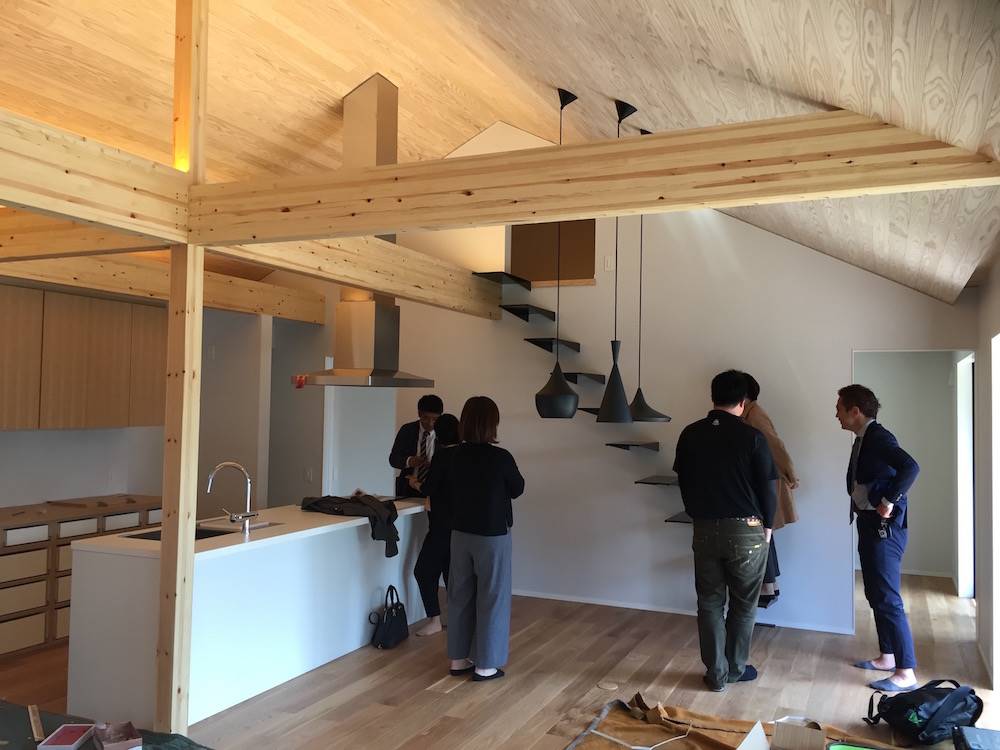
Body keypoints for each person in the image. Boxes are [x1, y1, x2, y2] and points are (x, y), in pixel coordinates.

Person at [673, 370, 777, 692]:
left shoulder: (690, 434)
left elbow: (683, 481)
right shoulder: (752, 437)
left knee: (709, 602)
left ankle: (715, 675)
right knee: (744, 604)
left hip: (704, 528)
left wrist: (697, 513)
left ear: (713, 397)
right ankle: (735, 669)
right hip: (746, 531)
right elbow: (768, 487)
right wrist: (768, 526)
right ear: (743, 402)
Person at [837, 384, 920, 692]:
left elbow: (911, 467)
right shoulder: (865, 437)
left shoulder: (879, 437)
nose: (836, 415)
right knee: (875, 593)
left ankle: (906, 672)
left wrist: (888, 500)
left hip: (885, 529)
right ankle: (887, 657)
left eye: (839, 409)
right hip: (869, 523)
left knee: (888, 598)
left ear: (855, 411)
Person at [438, 396, 524, 681]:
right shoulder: (501, 458)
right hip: (492, 535)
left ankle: (458, 660)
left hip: (460, 533)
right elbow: (518, 488)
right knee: (492, 597)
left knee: (459, 595)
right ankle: (486, 665)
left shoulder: (453, 456)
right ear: (492, 424)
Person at [742, 373, 800, 606]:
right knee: (762, 533)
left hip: (765, 483)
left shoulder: (754, 414)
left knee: (760, 533)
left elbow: (774, 445)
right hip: (762, 482)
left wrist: (790, 473)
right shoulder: (750, 413)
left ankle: (766, 589)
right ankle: (768, 588)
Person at [408, 413, 460, 637]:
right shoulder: (465, 454)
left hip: (441, 524)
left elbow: (430, 488)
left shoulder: (442, 455)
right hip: (459, 524)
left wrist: (414, 483)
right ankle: (457, 620)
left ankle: (434, 620)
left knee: (423, 571)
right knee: (450, 573)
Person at [389, 394, 443, 497]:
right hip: (408, 488)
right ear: (419, 413)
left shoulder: (445, 432)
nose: (430, 423)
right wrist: (409, 461)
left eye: (435, 419)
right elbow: (393, 459)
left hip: (434, 490)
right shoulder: (407, 430)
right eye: (426, 418)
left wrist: (434, 465)